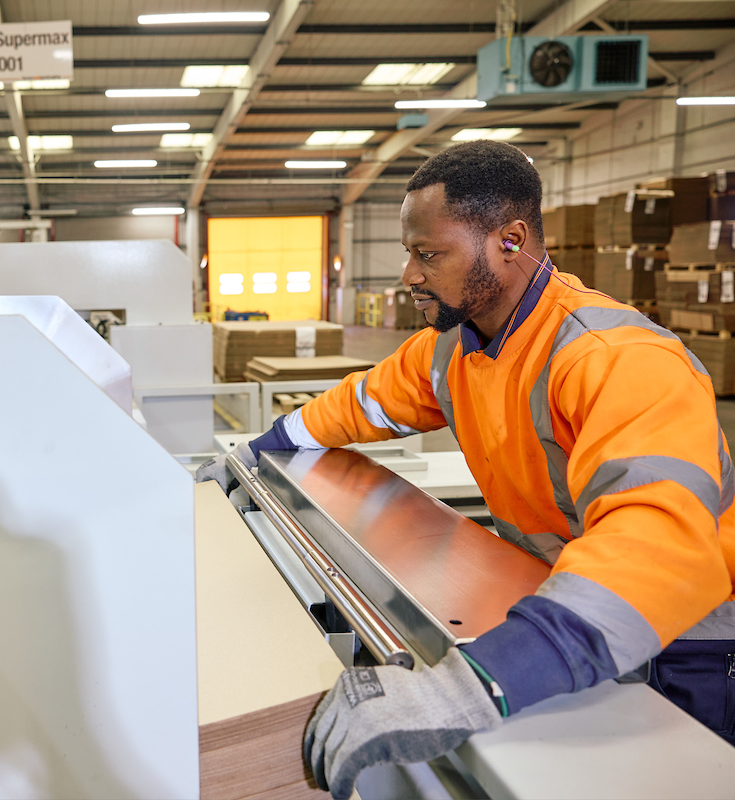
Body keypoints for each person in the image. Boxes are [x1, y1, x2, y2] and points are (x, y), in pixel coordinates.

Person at [196, 140, 735, 798]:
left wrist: (465, 687)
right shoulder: (458, 346)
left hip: (689, 642)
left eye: (429, 254)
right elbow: (363, 402)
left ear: (510, 241)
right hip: (568, 603)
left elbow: (655, 551)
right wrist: (255, 454)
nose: (409, 274)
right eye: (409, 252)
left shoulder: (617, 359)